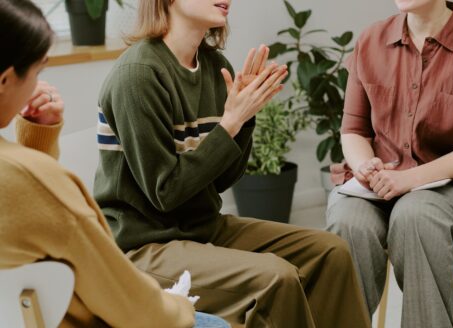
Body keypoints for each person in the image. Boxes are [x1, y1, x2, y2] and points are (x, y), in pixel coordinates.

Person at [93, 0, 370, 327]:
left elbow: (221, 179)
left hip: (203, 228)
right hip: (143, 247)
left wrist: (243, 121)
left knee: (330, 252)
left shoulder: (213, 66)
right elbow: (165, 192)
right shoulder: (138, 75)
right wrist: (230, 124)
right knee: (274, 278)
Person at [0, 0, 229, 326]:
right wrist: (180, 305)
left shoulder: (21, 174)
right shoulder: (33, 180)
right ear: (5, 80)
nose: (38, 85)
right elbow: (129, 301)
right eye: (38, 71)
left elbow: (25, 215)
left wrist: (38, 138)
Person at [325, 0, 453, 326]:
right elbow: (353, 131)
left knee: (416, 217)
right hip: (379, 183)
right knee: (348, 221)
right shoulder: (371, 40)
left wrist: (408, 181)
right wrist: (367, 166)